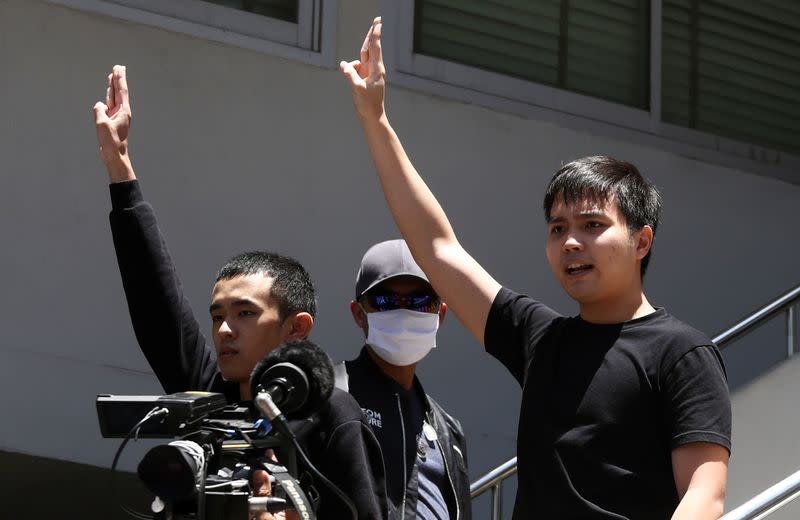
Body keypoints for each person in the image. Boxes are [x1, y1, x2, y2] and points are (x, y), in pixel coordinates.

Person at [339, 18, 732, 520]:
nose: (570, 242)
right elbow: (437, 247)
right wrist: (376, 119)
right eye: (556, 228)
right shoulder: (539, 338)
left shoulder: (683, 353)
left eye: (592, 225)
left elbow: (705, 495)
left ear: (642, 240)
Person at [93, 65, 388, 520]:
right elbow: (156, 303)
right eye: (217, 316)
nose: (225, 329)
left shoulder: (333, 414)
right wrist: (120, 167)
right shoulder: (209, 394)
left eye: (245, 314)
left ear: (297, 329)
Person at [338, 239, 471, 519]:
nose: (403, 312)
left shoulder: (448, 427)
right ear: (358, 314)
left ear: (440, 315)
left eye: (420, 302)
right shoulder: (331, 397)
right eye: (385, 301)